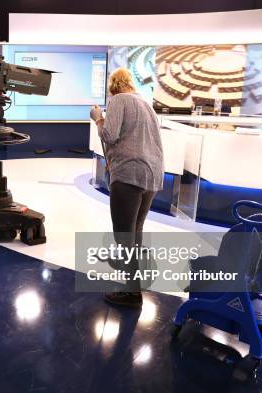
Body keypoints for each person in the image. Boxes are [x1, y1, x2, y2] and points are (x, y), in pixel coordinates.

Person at [90, 67, 164, 307]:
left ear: (113, 87)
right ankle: (135, 283)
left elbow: (109, 134)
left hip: (129, 173)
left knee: (124, 234)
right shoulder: (145, 103)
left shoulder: (119, 100)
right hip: (151, 175)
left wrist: (98, 117)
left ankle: (131, 293)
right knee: (136, 231)